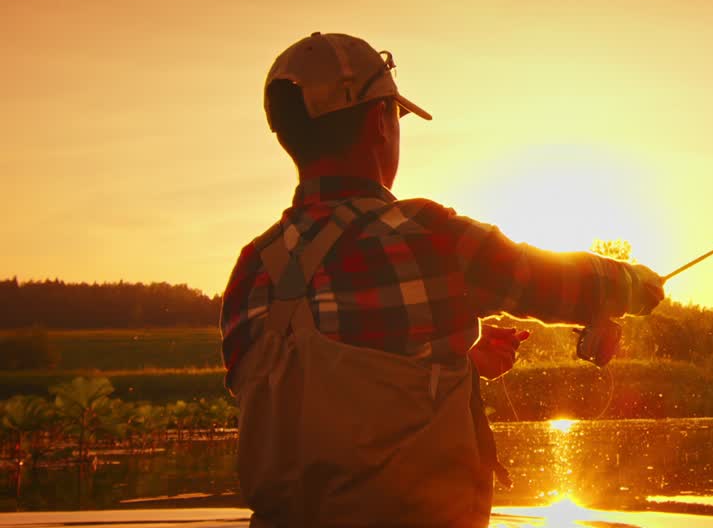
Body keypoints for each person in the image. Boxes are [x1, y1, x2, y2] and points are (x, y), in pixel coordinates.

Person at [219, 32, 666, 528]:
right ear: (378, 122)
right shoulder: (427, 238)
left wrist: (457, 355)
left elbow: (318, 403)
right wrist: (636, 284)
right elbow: (565, 284)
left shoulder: (249, 270)